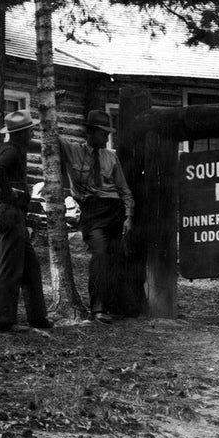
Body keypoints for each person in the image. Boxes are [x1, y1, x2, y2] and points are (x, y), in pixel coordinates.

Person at [59, 109, 135, 323]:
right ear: (90, 133)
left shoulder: (111, 157)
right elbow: (49, 137)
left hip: (114, 212)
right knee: (100, 255)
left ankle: (115, 306)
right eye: (103, 133)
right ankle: (98, 309)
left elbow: (124, 190)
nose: (107, 137)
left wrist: (128, 216)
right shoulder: (73, 151)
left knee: (115, 258)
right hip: (92, 214)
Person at [0, 110, 51, 332]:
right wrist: (9, 194)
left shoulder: (16, 149)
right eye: (30, 130)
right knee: (11, 268)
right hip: (9, 212)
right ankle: (5, 321)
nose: (33, 133)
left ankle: (38, 318)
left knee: (31, 267)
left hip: (16, 215)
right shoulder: (11, 150)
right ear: (22, 133)